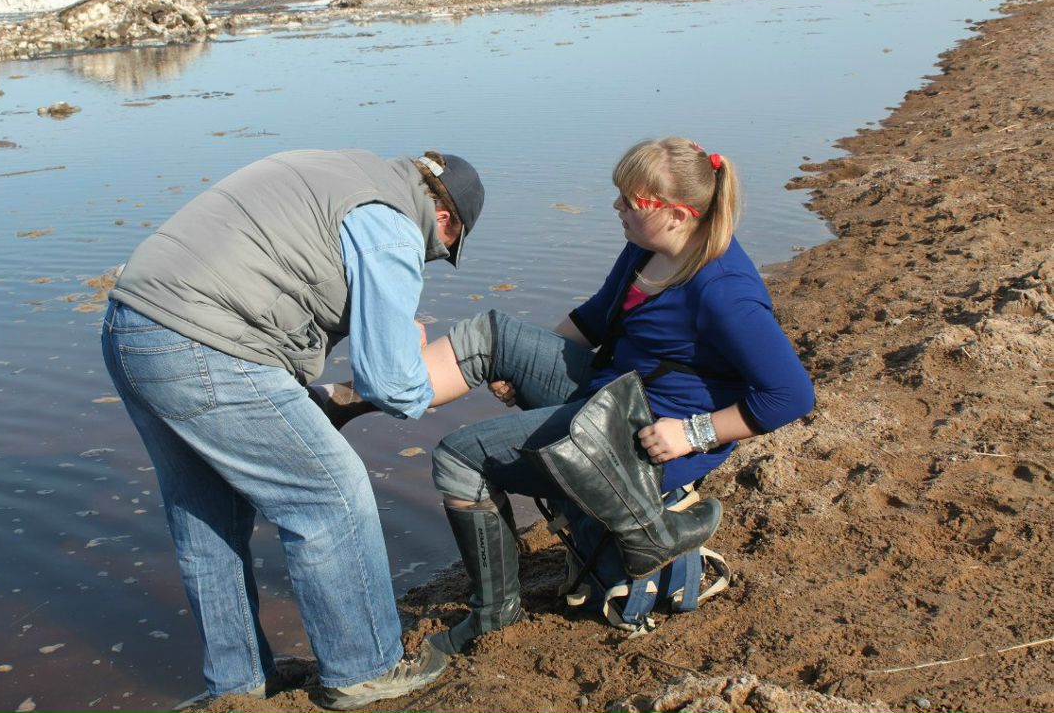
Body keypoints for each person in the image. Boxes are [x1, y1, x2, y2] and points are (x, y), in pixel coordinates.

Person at [315, 136, 815, 654]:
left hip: (644, 436)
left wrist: (692, 433)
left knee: (459, 460)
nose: (616, 206)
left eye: (630, 201)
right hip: (611, 394)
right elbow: (596, 318)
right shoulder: (647, 246)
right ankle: (355, 397)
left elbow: (792, 395)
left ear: (676, 214)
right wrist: (523, 365)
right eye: (619, 193)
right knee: (493, 335)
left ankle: (494, 614)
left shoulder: (724, 290)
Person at [100, 148, 484, 709]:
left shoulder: (345, 170)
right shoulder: (393, 223)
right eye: (440, 252)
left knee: (209, 516)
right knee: (332, 496)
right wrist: (413, 358)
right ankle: (364, 667)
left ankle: (238, 685)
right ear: (445, 219)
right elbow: (392, 384)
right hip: (208, 343)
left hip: (132, 327)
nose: (430, 256)